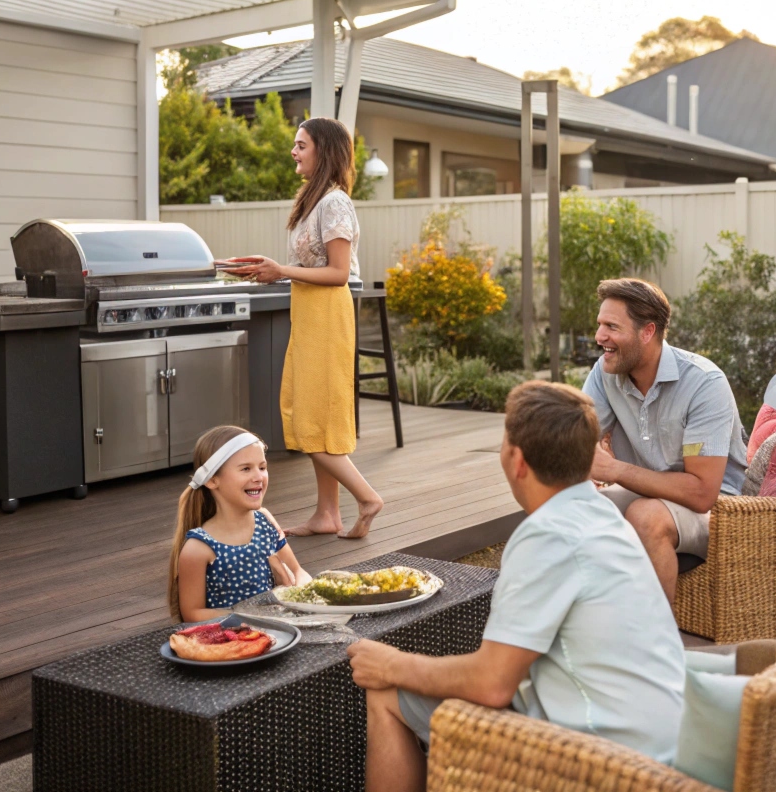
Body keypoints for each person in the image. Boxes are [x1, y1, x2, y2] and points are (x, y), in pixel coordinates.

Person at [345, 381, 686, 792]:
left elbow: (491, 684)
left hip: (602, 759)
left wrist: (390, 664)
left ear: (517, 460)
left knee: (386, 692)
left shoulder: (547, 534)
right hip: (658, 744)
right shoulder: (605, 514)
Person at [218, 117, 384, 538]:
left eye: (301, 145)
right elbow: (308, 268)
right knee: (312, 414)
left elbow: (340, 273)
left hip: (327, 316)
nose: (293, 151)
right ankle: (327, 515)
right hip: (310, 314)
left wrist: (280, 271)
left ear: (323, 150)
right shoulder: (315, 201)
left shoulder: (334, 203)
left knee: (312, 421)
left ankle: (367, 498)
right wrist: (265, 267)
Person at [582, 277, 748, 603]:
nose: (600, 336)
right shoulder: (605, 373)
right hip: (642, 491)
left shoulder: (703, 384)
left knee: (646, 516)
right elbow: (577, 441)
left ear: (647, 332)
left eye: (612, 327)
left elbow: (701, 493)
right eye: (600, 324)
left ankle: (656, 647)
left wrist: (614, 470)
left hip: (719, 509)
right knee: (571, 510)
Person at [169, 425, 312, 622]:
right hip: (231, 642)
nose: (258, 477)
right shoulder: (198, 547)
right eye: (246, 469)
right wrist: (253, 615)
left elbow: (298, 571)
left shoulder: (265, 524)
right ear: (212, 480)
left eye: (262, 467)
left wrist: (302, 591)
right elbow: (193, 614)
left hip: (277, 629)